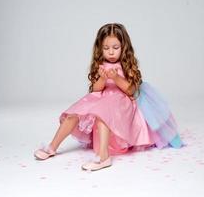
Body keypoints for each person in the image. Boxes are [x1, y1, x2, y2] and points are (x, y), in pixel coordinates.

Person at [34, 23, 185, 171]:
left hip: (122, 100)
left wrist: (117, 78)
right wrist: (102, 78)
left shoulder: (126, 65)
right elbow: (95, 89)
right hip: (102, 97)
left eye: (115, 48)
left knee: (103, 114)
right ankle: (52, 147)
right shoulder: (100, 65)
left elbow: (131, 90)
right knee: (74, 114)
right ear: (100, 48)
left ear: (123, 47)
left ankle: (103, 157)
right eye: (106, 48)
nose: (111, 52)